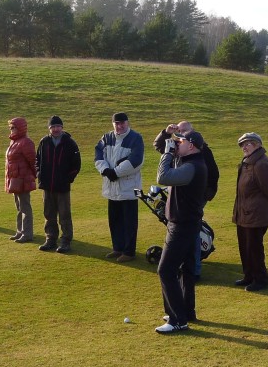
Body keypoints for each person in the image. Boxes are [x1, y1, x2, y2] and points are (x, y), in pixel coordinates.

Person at [154, 130, 208, 333]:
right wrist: (167, 135)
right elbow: (160, 145)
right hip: (187, 223)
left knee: (166, 269)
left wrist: (167, 154)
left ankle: (177, 319)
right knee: (186, 270)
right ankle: (184, 311)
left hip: (182, 225)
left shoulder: (192, 166)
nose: (177, 143)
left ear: (191, 145)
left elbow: (163, 176)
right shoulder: (189, 160)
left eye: (181, 141)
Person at [154, 119, 219, 279]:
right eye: (177, 133)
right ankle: (188, 268)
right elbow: (159, 146)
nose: (178, 137)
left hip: (194, 198)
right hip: (182, 195)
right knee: (188, 233)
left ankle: (193, 269)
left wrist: (205, 194)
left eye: (182, 133)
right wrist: (166, 133)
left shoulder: (202, 152)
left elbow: (213, 174)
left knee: (191, 233)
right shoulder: (183, 149)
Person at [232, 132, 268, 292]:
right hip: (244, 213)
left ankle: (260, 279)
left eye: (248, 144)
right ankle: (249, 276)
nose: (244, 147)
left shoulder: (261, 164)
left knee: (254, 248)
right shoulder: (247, 162)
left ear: (258, 145)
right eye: (242, 145)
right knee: (245, 247)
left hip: (256, 214)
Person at [94, 112, 144, 262]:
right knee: (115, 221)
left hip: (129, 188)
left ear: (127, 123)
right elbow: (98, 155)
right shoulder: (106, 137)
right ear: (113, 124)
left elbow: (136, 161)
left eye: (122, 123)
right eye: (116, 123)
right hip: (112, 188)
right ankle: (118, 248)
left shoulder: (136, 138)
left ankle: (129, 252)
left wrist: (115, 172)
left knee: (129, 223)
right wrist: (105, 170)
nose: (119, 126)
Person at [36, 115, 81, 253]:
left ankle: (66, 241)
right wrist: (39, 174)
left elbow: (76, 164)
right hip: (47, 186)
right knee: (49, 214)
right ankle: (50, 239)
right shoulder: (44, 142)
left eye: (58, 126)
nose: (56, 129)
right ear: (49, 128)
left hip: (62, 186)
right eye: (53, 127)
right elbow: (37, 160)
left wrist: (68, 179)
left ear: (62, 127)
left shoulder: (70, 143)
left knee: (64, 215)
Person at [5, 117, 38, 243]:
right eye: (10, 127)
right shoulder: (14, 142)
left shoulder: (26, 142)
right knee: (19, 206)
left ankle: (27, 233)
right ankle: (20, 231)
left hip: (23, 179)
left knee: (25, 207)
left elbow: (33, 161)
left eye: (13, 127)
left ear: (20, 128)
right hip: (15, 180)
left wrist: (35, 176)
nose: (11, 129)